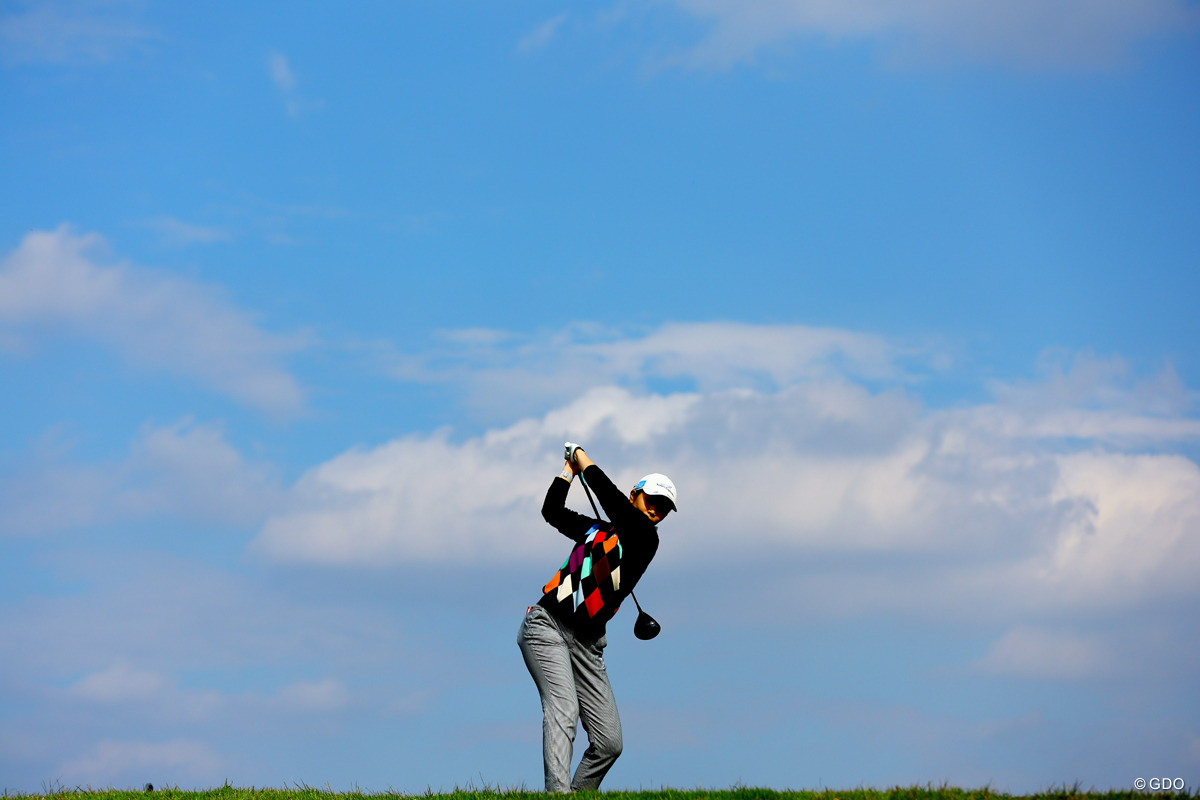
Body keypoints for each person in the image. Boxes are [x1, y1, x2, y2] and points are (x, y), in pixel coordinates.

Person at [518, 442, 678, 793]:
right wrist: (568, 473)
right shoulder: (596, 531)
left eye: (664, 507)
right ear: (636, 494)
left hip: (589, 646)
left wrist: (581, 457)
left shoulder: (646, 539)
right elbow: (552, 511)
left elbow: (611, 500)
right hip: (547, 626)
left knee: (609, 742)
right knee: (564, 709)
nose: (657, 509)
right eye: (652, 499)